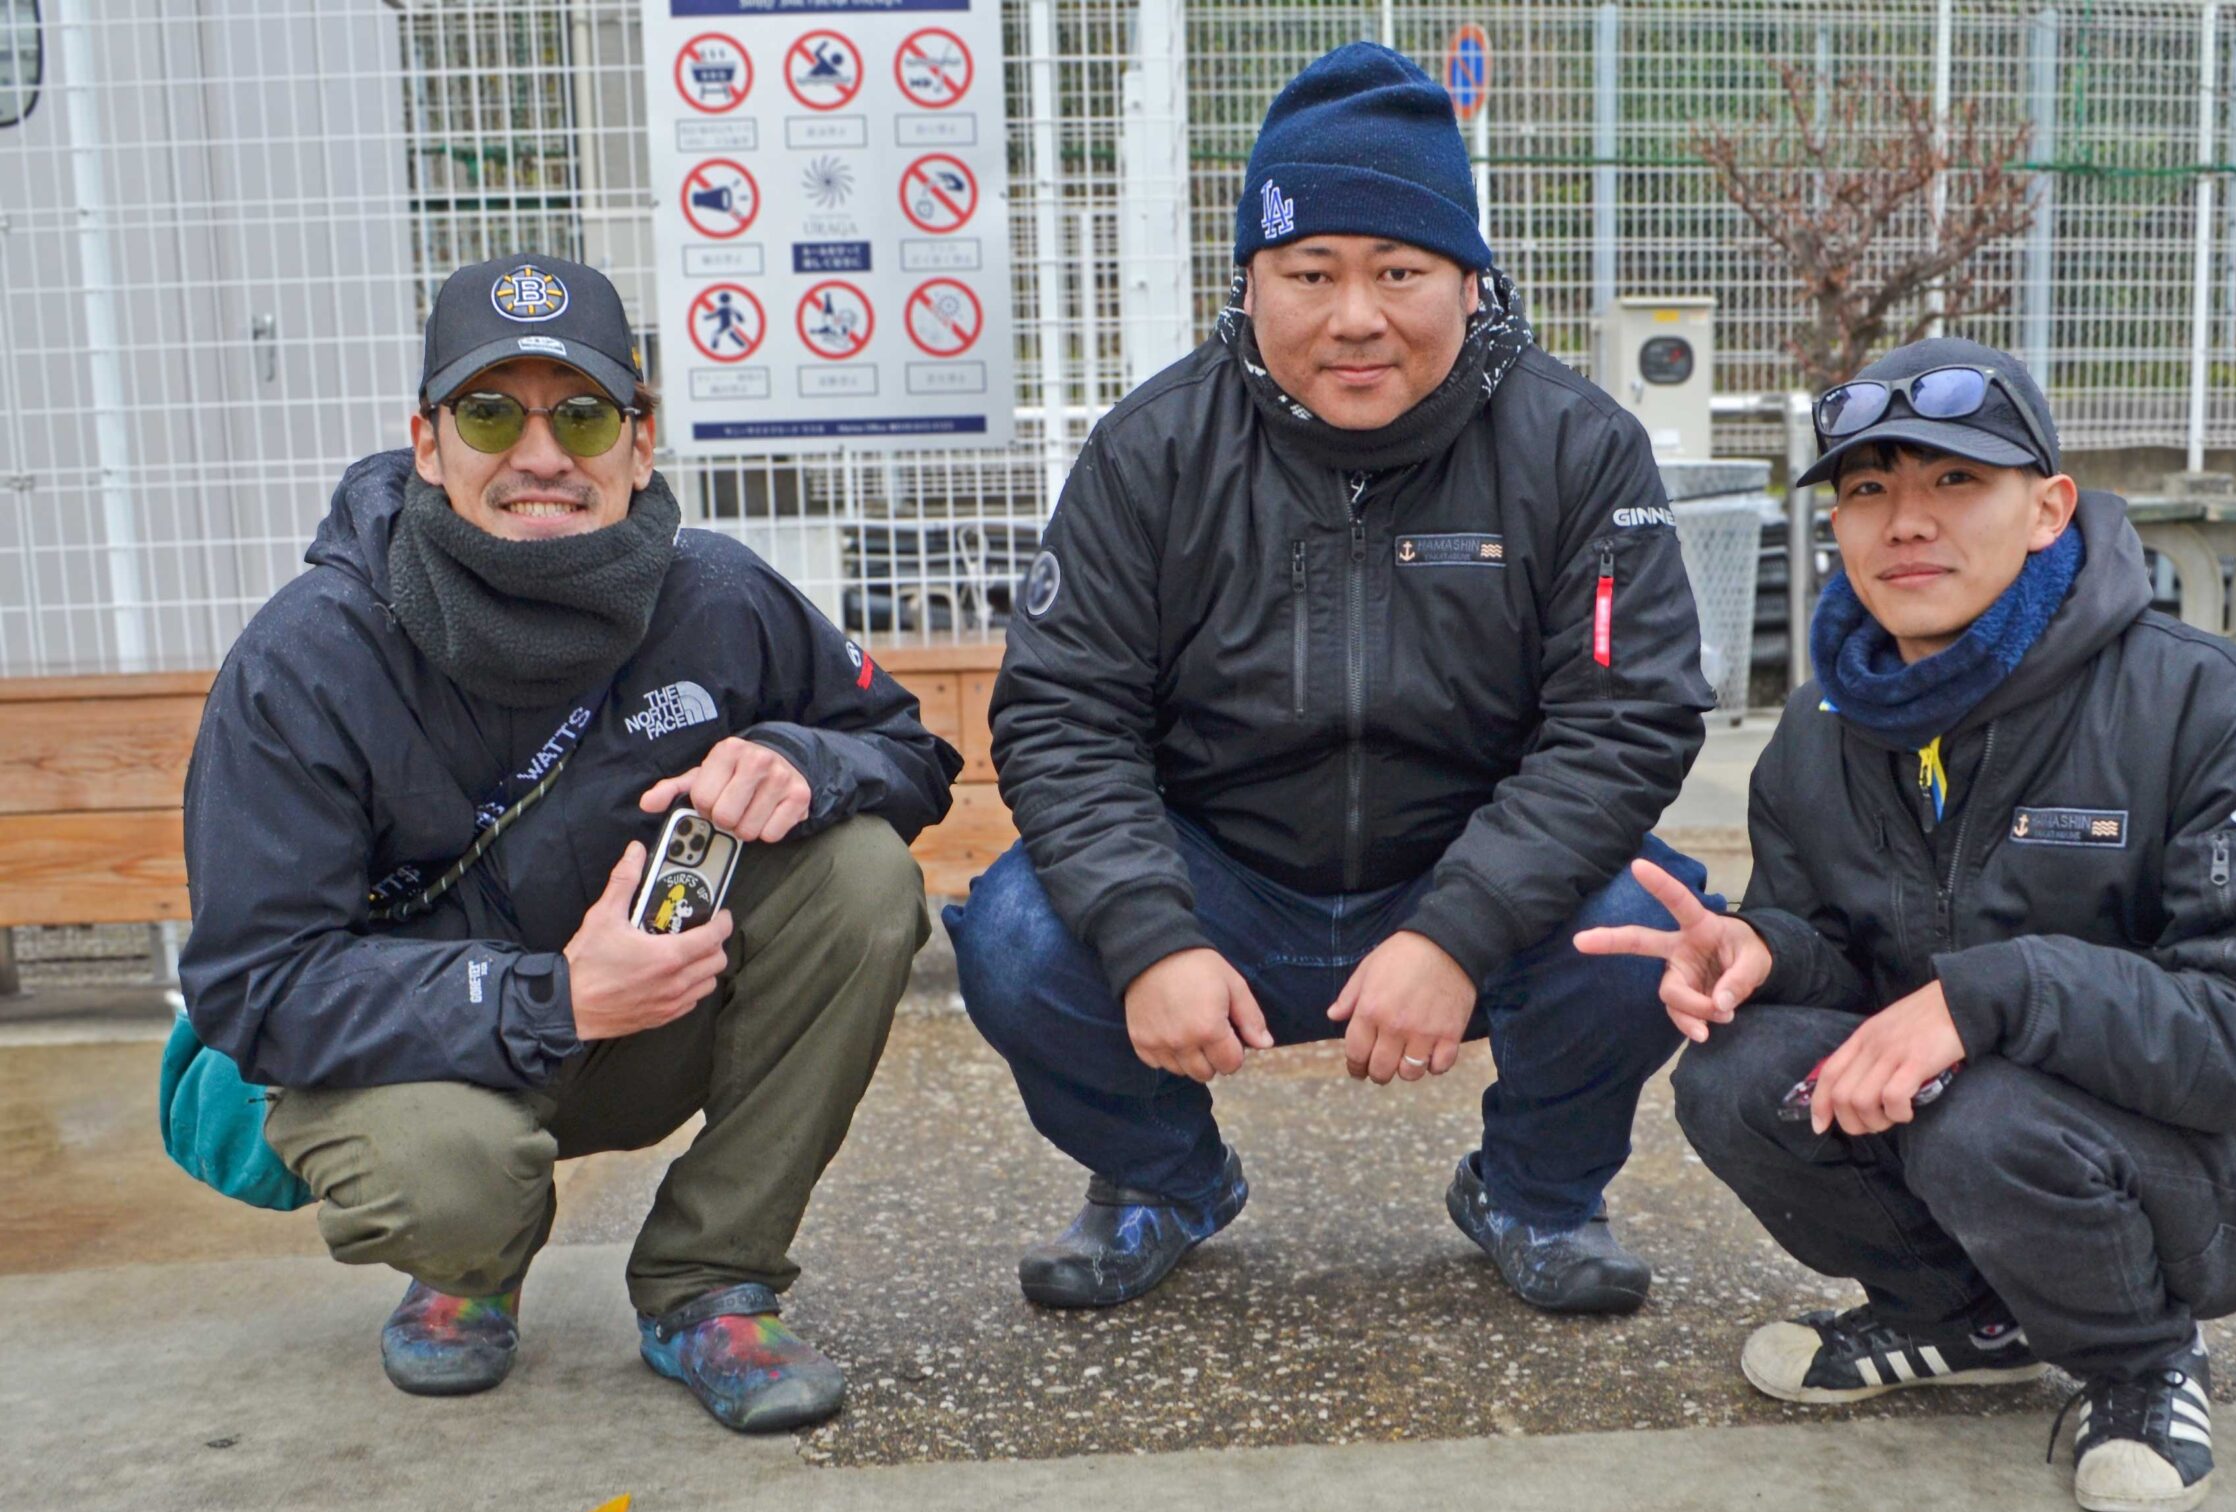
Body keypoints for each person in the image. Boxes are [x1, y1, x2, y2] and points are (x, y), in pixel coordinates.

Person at [949, 43, 1716, 1314]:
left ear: (1470, 281)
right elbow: (1064, 715)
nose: (1354, 316)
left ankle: (1536, 1191)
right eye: (1310, 273)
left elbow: (1624, 720)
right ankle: (1160, 1179)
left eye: (1399, 272)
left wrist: (1457, 929)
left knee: (1649, 929)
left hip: (1466, 866)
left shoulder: (1578, 447)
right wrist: (1148, 938)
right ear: (1251, 283)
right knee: (1023, 936)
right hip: (1225, 878)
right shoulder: (1152, 451)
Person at [1582, 339, 2236, 1512]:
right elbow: (1840, 950)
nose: (1905, 521)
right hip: (1988, 1128)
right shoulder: (1823, 729)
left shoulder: (2206, 706)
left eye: (1954, 481)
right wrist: (1765, 951)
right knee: (1735, 1073)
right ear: (1836, 528)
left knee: (1981, 1112)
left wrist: (1996, 992)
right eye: (1866, 489)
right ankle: (1959, 1318)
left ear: (2048, 509)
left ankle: (2142, 1363)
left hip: (2220, 1172)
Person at [181, 254, 959, 1431]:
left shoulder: (719, 597)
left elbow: (906, 752)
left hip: (652, 1019)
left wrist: (808, 761)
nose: (542, 455)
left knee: (863, 876)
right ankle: (468, 1265)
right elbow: (255, 985)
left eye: (582, 414)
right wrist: (554, 998)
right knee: (456, 1178)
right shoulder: (307, 658)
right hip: (431, 1069)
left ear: (638, 444)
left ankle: (710, 1281)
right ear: (428, 441)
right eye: (492, 411)